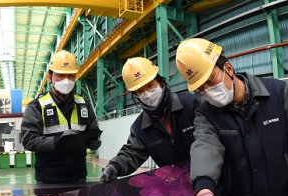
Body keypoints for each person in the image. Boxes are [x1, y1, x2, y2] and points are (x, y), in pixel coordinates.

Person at [175, 38, 288, 196]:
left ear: (228, 68)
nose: (207, 91)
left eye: (210, 80)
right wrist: (204, 192)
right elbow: (205, 146)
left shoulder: (279, 94)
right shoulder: (206, 113)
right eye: (200, 88)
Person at [100, 57, 200, 183]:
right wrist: (115, 166)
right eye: (140, 91)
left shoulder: (191, 105)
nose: (147, 93)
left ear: (161, 82)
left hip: (210, 180)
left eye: (150, 85)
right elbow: (133, 152)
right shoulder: (140, 128)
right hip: (177, 187)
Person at [22, 50, 102, 183]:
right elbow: (28, 139)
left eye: (70, 75)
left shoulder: (83, 104)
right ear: (50, 77)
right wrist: (58, 141)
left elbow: (92, 131)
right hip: (48, 178)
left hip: (78, 176)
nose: (66, 80)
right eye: (60, 75)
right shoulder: (37, 106)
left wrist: (94, 142)